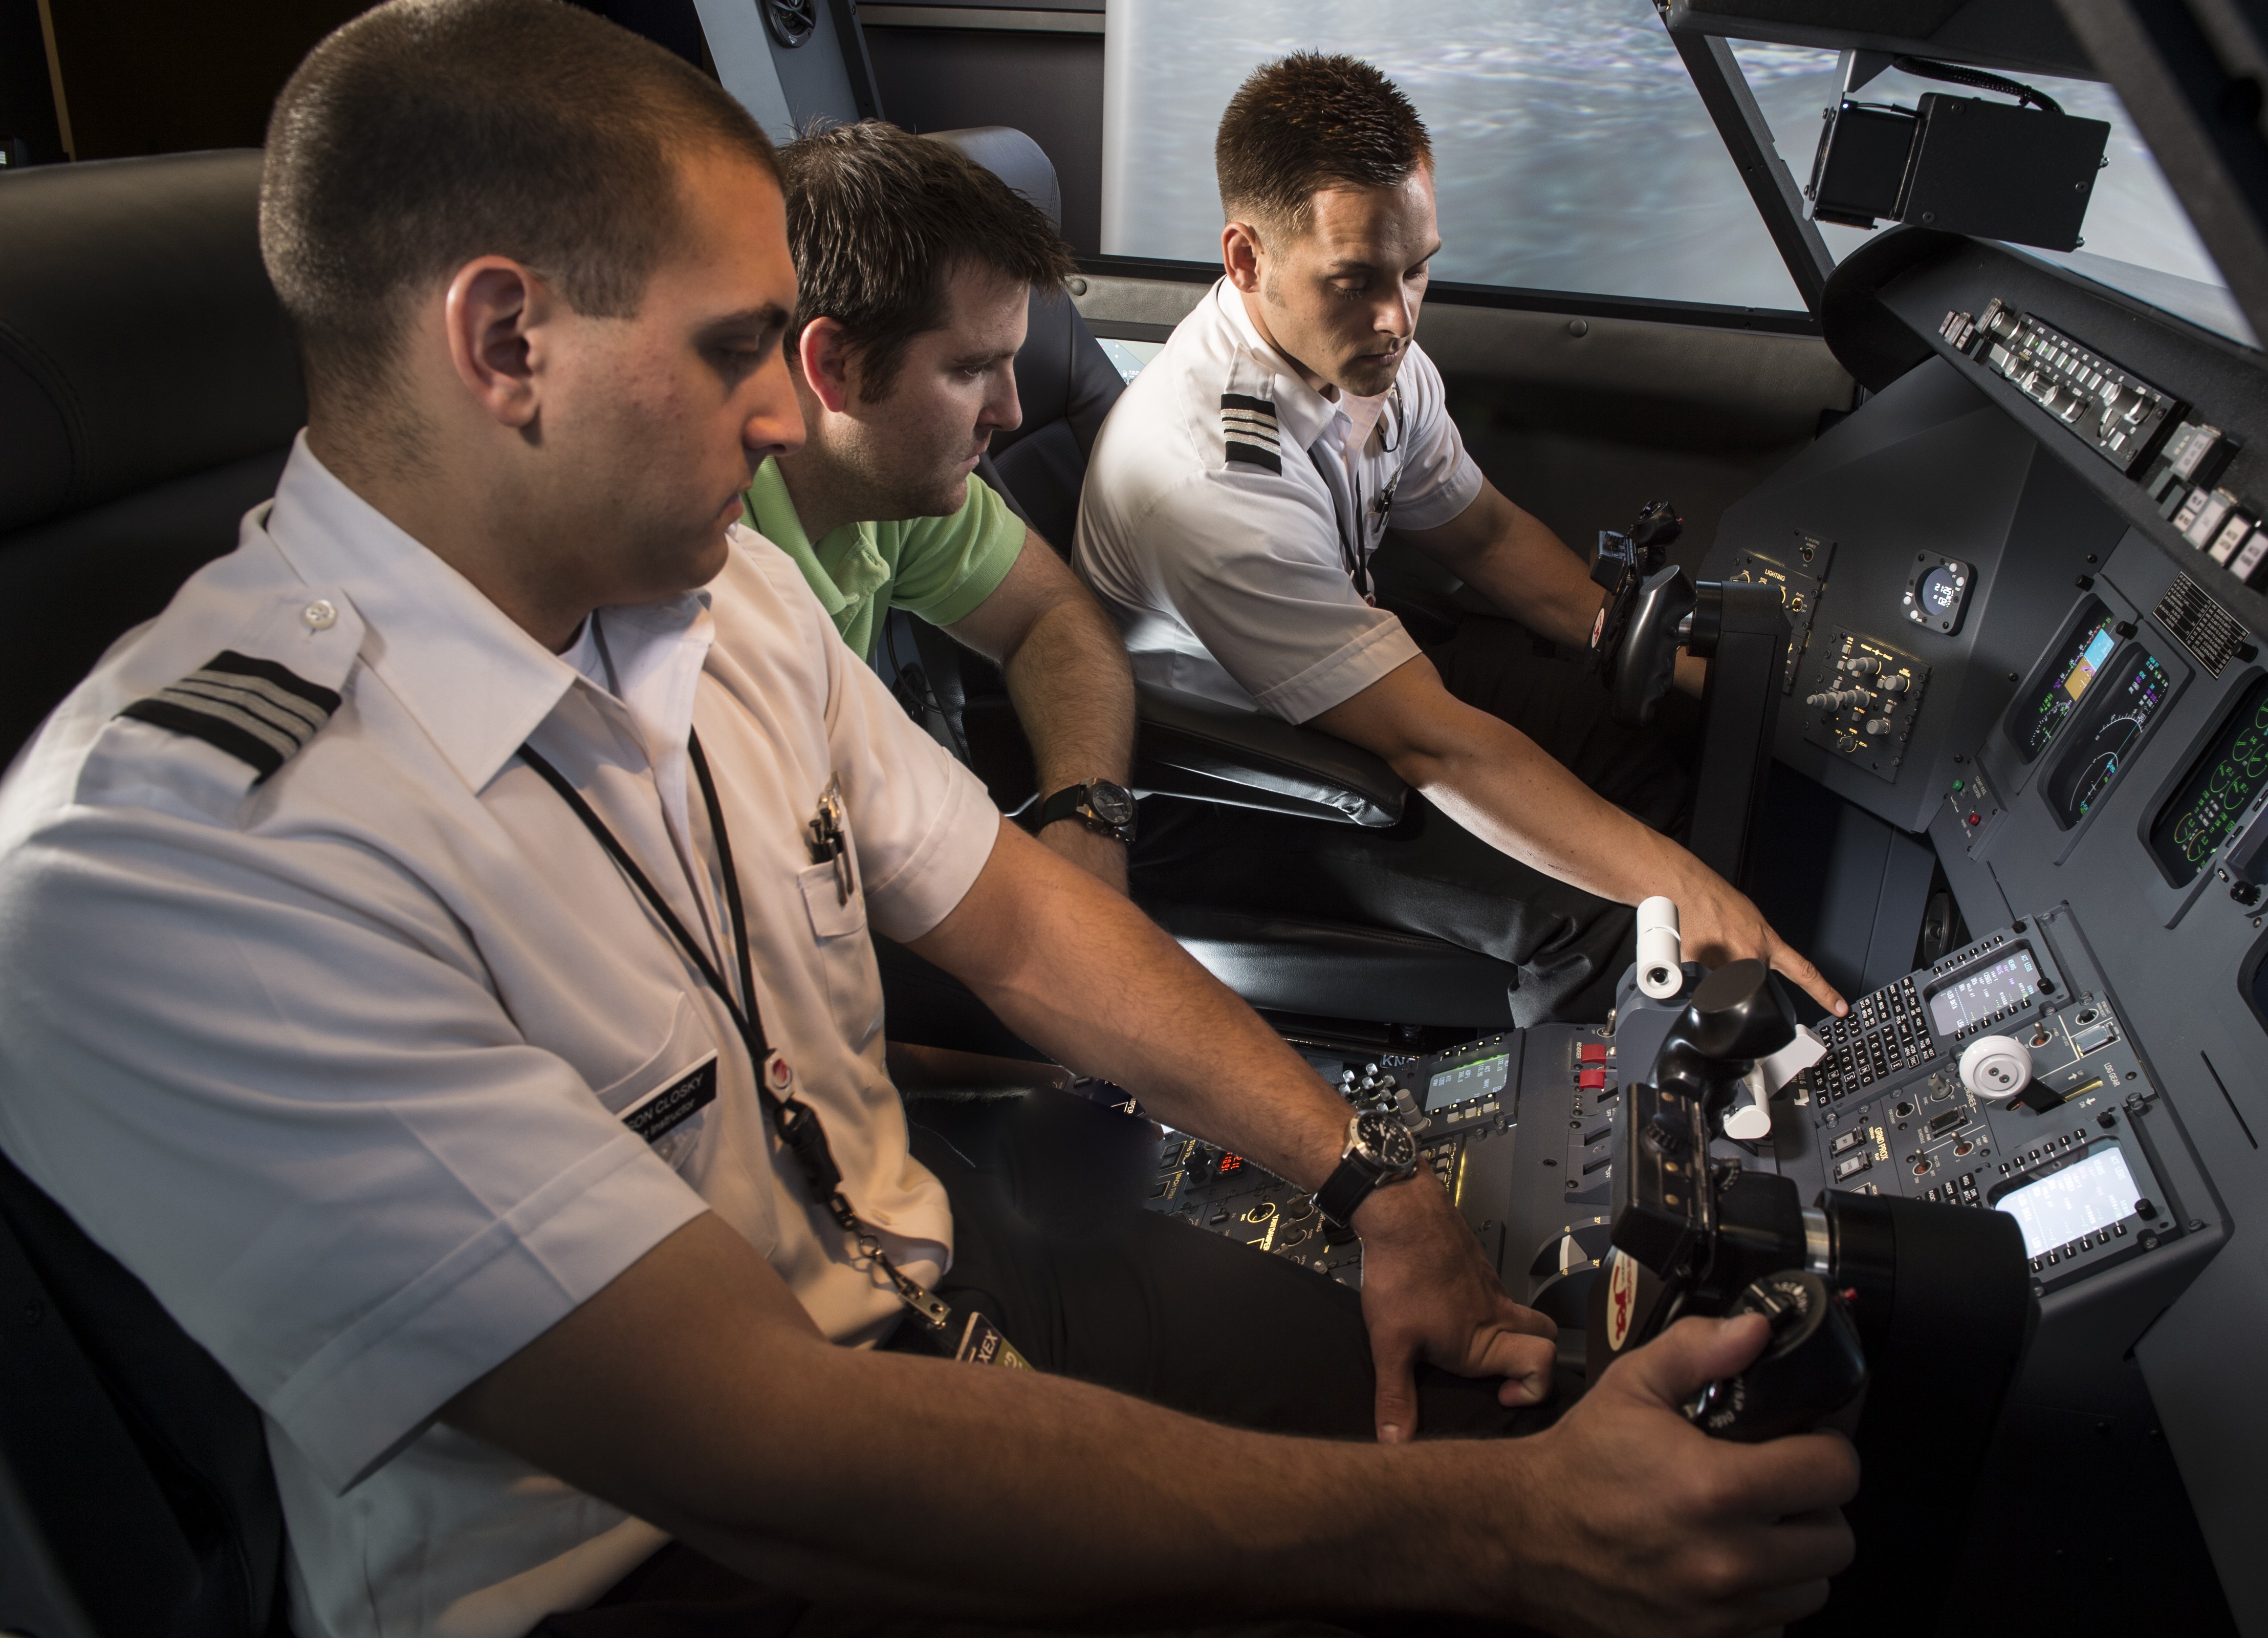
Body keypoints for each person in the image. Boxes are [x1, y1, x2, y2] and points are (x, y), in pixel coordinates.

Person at [0, 4, 1855, 1634]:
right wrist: (1496, 1544)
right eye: (741, 347)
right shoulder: (170, 855)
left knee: (1510, 1386)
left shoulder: (721, 595)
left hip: (926, 1279)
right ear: (507, 344)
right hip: (656, 1564)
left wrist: (1361, 1186)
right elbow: (764, 1448)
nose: (780, 413)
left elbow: (1024, 925)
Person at [1076, 54, 1848, 1027]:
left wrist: (1643, 655)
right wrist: (1681, 893)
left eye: (1417, 268)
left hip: (1355, 684)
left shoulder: (1369, 356)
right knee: (1623, 927)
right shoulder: (1210, 480)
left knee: (1637, 742)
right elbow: (1436, 747)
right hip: (1239, 778)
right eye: (1354, 280)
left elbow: (1481, 535)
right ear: (1246, 261)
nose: (1398, 318)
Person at [758, 121, 1137, 893]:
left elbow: (1052, 618)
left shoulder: (890, 486)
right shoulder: (707, 568)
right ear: (835, 365)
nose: (1013, 410)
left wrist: (1085, 820)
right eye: (971, 370)